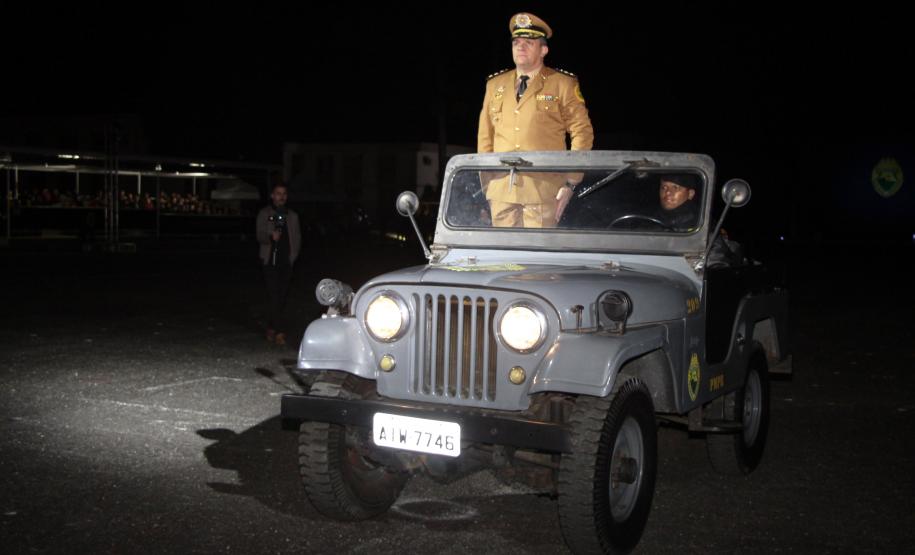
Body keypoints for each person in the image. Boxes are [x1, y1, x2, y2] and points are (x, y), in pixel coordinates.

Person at [477, 12, 594, 227]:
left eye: (529, 43)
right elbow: (486, 136)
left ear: (543, 50)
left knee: (537, 258)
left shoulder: (561, 83)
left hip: (544, 191)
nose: (520, 47)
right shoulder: (495, 85)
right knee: (503, 257)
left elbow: (582, 132)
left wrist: (570, 182)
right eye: (516, 42)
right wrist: (487, 185)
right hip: (501, 191)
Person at [256, 183, 301, 345]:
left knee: (281, 297)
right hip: (269, 261)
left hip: (286, 262)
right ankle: (280, 331)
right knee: (274, 295)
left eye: (284, 194)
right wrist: (270, 236)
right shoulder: (265, 213)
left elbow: (297, 239)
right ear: (272, 196)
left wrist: (292, 257)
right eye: (278, 193)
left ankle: (271, 327)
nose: (281, 196)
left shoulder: (292, 216)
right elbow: (259, 235)